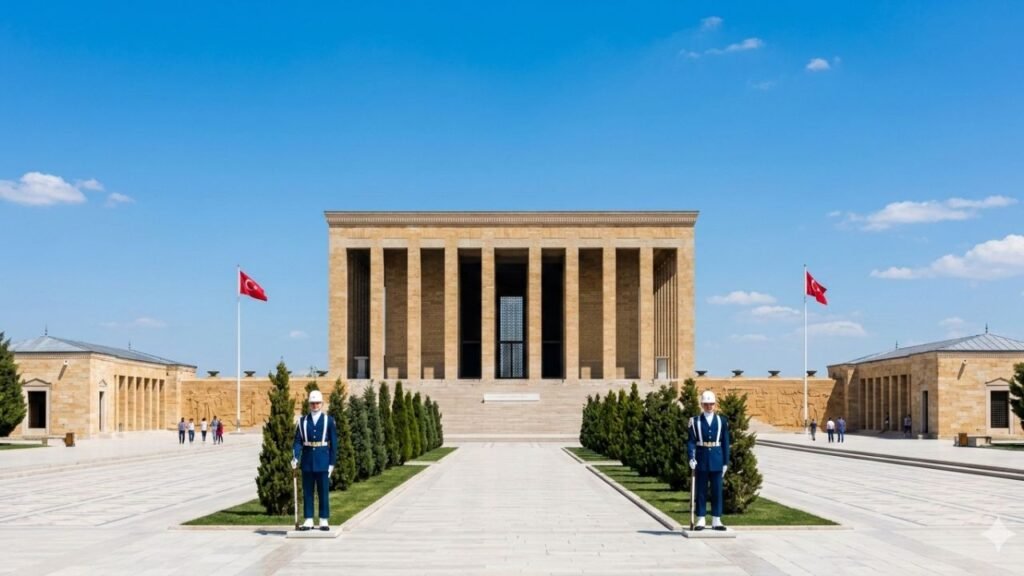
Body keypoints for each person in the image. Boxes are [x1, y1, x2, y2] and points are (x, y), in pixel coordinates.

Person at [292, 390, 338, 531]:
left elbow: (334, 444)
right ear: (309, 404)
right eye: (312, 403)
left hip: (323, 460)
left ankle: (324, 519)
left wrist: (331, 463)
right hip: (307, 461)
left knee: (323, 491)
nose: (315, 405)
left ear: (322, 404)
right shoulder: (302, 421)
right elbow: (298, 441)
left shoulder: (328, 421)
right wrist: (295, 456)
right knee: (308, 491)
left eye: (317, 403)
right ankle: (309, 519)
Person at [687, 390, 730, 531]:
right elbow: (692, 442)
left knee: (717, 491)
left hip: (717, 459)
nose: (709, 407)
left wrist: (725, 462)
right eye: (706, 404)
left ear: (715, 404)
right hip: (702, 458)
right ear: (702, 405)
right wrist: (691, 457)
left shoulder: (722, 421)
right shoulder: (695, 421)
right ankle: (701, 519)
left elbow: (725, 442)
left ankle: (717, 520)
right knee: (701, 490)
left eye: (711, 404)